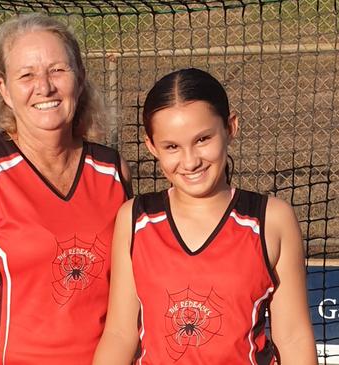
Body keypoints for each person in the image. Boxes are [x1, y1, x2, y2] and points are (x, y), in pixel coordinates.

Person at [93, 68, 317, 364]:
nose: (190, 161)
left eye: (202, 139)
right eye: (172, 146)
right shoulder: (135, 219)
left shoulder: (272, 219)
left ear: (230, 127)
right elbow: (120, 333)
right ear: (151, 146)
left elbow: (293, 336)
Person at [0, 13, 132, 365]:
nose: (44, 87)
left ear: (80, 79)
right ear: (5, 90)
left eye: (57, 70)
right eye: (26, 75)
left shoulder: (112, 170)